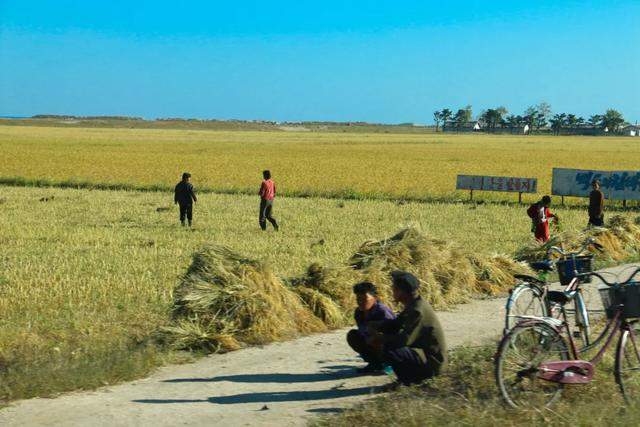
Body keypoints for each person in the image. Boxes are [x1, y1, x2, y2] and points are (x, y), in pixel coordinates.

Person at [368, 271, 447, 386]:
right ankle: (409, 378)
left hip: (434, 364)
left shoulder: (417, 310)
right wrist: (376, 325)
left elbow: (403, 340)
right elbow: (396, 324)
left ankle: (406, 381)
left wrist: (379, 337)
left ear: (402, 292)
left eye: (394, 289)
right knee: (389, 342)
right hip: (427, 357)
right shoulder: (414, 303)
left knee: (391, 347)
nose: (392, 291)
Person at [346, 282, 396, 373]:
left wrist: (374, 336)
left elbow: (393, 332)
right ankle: (374, 363)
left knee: (376, 339)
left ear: (374, 298)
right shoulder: (358, 313)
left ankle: (390, 363)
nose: (360, 302)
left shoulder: (382, 311)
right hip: (370, 341)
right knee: (353, 335)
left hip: (389, 344)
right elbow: (362, 331)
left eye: (364, 298)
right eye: (358, 299)